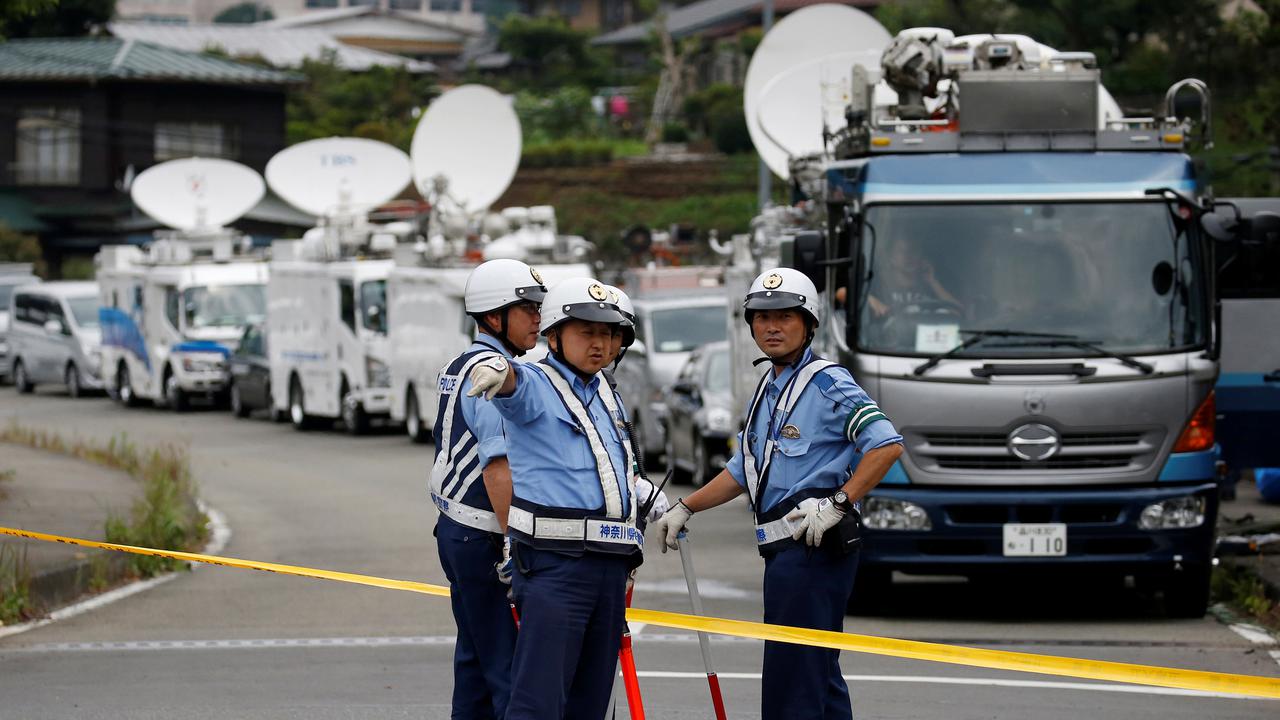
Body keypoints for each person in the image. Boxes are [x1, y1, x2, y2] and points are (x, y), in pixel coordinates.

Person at [656, 267, 904, 720]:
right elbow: (743, 470)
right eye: (762, 317)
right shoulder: (770, 388)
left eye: (786, 317)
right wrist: (686, 505)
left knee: (793, 683)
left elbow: (885, 444)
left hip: (812, 547)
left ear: (808, 323)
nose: (772, 327)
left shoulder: (827, 383)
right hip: (783, 555)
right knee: (817, 680)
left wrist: (840, 502)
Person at [466, 277, 643, 720]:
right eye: (587, 331)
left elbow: (611, 467)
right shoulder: (538, 382)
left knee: (590, 702)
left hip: (610, 565)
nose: (600, 344)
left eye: (608, 333)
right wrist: (500, 373)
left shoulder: (605, 392)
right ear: (553, 335)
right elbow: (513, 384)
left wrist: (655, 502)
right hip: (557, 565)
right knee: (538, 703)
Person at [430, 258, 547, 720]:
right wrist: (514, 543)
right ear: (495, 316)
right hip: (484, 534)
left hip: (454, 530)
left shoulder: (460, 363)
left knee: (476, 662)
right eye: (528, 308)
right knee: (507, 669)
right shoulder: (493, 372)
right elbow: (497, 467)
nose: (538, 317)